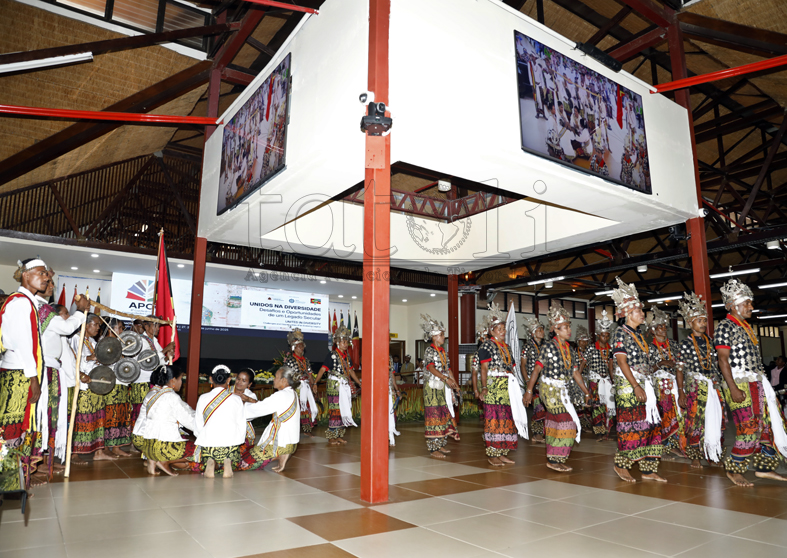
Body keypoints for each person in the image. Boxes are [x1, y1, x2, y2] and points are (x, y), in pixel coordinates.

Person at [714, 278, 787, 487]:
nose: (751, 306)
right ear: (733, 305)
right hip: (738, 384)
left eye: (750, 302)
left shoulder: (746, 327)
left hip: (757, 383)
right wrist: (733, 388)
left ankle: (764, 468)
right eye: (746, 303)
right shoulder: (725, 326)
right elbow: (722, 360)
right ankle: (734, 467)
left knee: (766, 426)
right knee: (748, 428)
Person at [0, 258, 51, 490]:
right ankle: (9, 485)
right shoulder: (20, 303)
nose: (46, 277)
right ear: (25, 275)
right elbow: (24, 344)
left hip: (20, 372)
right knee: (12, 429)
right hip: (19, 375)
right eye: (41, 273)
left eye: (46, 274)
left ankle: (15, 483)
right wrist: (33, 379)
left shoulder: (25, 301)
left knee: (17, 427)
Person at [610, 277, 666, 483]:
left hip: (645, 384)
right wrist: (635, 386)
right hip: (629, 386)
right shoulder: (620, 333)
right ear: (627, 314)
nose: (642, 314)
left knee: (651, 425)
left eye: (642, 310)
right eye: (638, 311)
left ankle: (648, 469)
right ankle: (622, 464)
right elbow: (621, 361)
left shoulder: (640, 335)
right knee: (631, 425)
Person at [524, 302, 590, 472]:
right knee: (567, 422)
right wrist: (529, 391)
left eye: (569, 326)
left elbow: (575, 373)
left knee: (556, 422)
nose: (569, 330)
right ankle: (555, 458)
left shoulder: (570, 349)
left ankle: (555, 458)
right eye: (565, 327)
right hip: (549, 390)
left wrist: (586, 392)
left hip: (564, 391)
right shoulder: (548, 347)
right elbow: (537, 369)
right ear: (555, 329)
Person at [36, 279, 88, 479]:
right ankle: (39, 461)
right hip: (46, 371)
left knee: (52, 418)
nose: (51, 286)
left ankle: (46, 459)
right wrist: (79, 311)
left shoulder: (52, 323)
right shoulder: (45, 312)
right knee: (44, 416)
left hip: (54, 373)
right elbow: (67, 327)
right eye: (65, 314)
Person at [678, 292, 725, 469]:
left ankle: (713, 454)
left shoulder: (711, 342)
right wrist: (681, 392)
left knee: (716, 419)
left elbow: (717, 364)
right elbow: (679, 369)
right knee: (695, 421)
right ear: (690, 323)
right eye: (699, 320)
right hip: (695, 388)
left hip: (713, 385)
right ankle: (695, 456)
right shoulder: (685, 344)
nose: (703, 323)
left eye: (705, 320)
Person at [479, 303, 529, 466]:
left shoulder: (506, 347)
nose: (503, 331)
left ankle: (502, 452)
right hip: (494, 387)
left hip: (508, 388)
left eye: (504, 328)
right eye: (499, 329)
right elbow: (484, 368)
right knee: (494, 419)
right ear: (491, 331)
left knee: (507, 418)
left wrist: (518, 388)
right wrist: (484, 387)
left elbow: (513, 368)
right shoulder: (487, 345)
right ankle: (492, 453)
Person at [71, 314, 117, 464]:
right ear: (86, 325)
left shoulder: (92, 341)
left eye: (98, 325)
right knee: (82, 419)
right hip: (84, 386)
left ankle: (98, 452)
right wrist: (88, 358)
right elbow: (72, 362)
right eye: (95, 324)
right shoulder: (76, 339)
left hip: (96, 384)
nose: (98, 327)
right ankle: (74, 454)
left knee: (98, 419)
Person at [239, 366, 300, 473]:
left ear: (284, 380)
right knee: (245, 451)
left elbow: (258, 409)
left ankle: (277, 454)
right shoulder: (292, 393)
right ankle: (283, 455)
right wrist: (249, 399)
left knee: (240, 463)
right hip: (290, 443)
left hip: (278, 445)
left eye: (276, 377)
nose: (273, 379)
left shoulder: (281, 395)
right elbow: (265, 405)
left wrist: (236, 409)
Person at [647, 306, 685, 458]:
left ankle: (677, 444)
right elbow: (647, 370)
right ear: (652, 331)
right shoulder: (649, 348)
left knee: (678, 412)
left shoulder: (674, 345)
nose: (663, 329)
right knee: (665, 414)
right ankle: (665, 445)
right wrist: (661, 363)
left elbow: (681, 364)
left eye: (664, 326)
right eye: (659, 327)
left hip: (675, 383)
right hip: (659, 386)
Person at [142, 366, 195, 476]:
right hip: (165, 447)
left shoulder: (153, 395)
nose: (181, 383)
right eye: (181, 379)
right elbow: (190, 421)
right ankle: (165, 461)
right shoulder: (172, 397)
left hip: (148, 447)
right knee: (205, 451)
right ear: (173, 380)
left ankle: (153, 461)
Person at [194, 365, 245, 478]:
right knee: (236, 459)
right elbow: (241, 424)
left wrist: (202, 437)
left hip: (209, 446)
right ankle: (228, 462)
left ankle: (211, 461)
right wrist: (238, 441)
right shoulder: (236, 399)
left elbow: (198, 424)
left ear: (211, 379)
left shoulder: (203, 398)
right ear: (229, 380)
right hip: (230, 446)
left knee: (202, 459)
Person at [313, 326, 360, 445]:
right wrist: (315, 382)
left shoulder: (347, 357)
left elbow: (351, 371)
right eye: (343, 342)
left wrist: (359, 383)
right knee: (334, 410)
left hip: (344, 384)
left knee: (343, 409)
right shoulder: (332, 355)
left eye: (347, 342)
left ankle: (339, 435)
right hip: (334, 385)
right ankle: (331, 437)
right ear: (338, 343)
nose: (346, 344)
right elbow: (322, 369)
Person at [420, 313, 459, 459]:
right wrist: (445, 378)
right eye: (441, 335)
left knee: (443, 413)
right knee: (434, 415)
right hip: (432, 388)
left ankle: (440, 443)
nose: (443, 337)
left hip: (443, 387)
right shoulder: (430, 350)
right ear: (434, 337)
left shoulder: (443, 352)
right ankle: (433, 448)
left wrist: (455, 384)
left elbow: (448, 369)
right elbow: (431, 368)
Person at [103, 318, 132, 457]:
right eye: (118, 328)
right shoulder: (104, 344)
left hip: (122, 384)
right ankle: (105, 447)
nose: (121, 331)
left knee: (120, 416)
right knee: (110, 416)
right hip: (111, 385)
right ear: (110, 329)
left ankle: (116, 446)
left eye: (122, 328)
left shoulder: (121, 344)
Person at [585, 310, 615, 441]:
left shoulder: (611, 349)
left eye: (607, 336)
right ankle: (599, 432)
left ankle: (606, 432)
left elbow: (613, 366)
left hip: (607, 381)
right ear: (598, 335)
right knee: (597, 406)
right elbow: (583, 364)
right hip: (595, 381)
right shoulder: (591, 348)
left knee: (609, 406)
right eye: (603, 335)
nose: (605, 338)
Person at [284, 328, 317, 436]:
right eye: (299, 346)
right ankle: (293, 430)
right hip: (295, 387)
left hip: (305, 386)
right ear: (293, 348)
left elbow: (310, 373)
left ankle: (307, 430)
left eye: (302, 346)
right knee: (296, 408)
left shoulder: (305, 360)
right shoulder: (290, 360)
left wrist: (313, 385)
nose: (301, 348)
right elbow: (286, 376)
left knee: (306, 407)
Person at [521, 315, 547, 443]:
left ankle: (544, 432)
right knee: (538, 408)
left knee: (546, 407)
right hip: (533, 382)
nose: (542, 332)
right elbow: (523, 365)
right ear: (533, 333)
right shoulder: (527, 346)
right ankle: (537, 434)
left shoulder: (546, 346)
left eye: (542, 329)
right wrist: (527, 381)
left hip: (545, 381)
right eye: (539, 330)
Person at [233, 368, 258, 454]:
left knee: (241, 453)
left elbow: (255, 411)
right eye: (238, 379)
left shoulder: (250, 396)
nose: (239, 382)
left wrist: (247, 400)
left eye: (244, 381)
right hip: (226, 425)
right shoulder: (227, 391)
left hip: (244, 429)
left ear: (249, 384)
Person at [574, 325, 593, 433]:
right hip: (577, 379)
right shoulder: (573, 352)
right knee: (579, 403)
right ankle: (578, 424)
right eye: (582, 340)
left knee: (588, 403)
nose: (584, 343)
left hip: (588, 378)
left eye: (586, 341)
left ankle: (586, 424)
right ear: (578, 341)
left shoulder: (590, 352)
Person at [388, 356, 401, 446]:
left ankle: (390, 436)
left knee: (391, 413)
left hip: (390, 393)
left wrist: (397, 391)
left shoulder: (391, 370)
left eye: (390, 362)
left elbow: (393, 381)